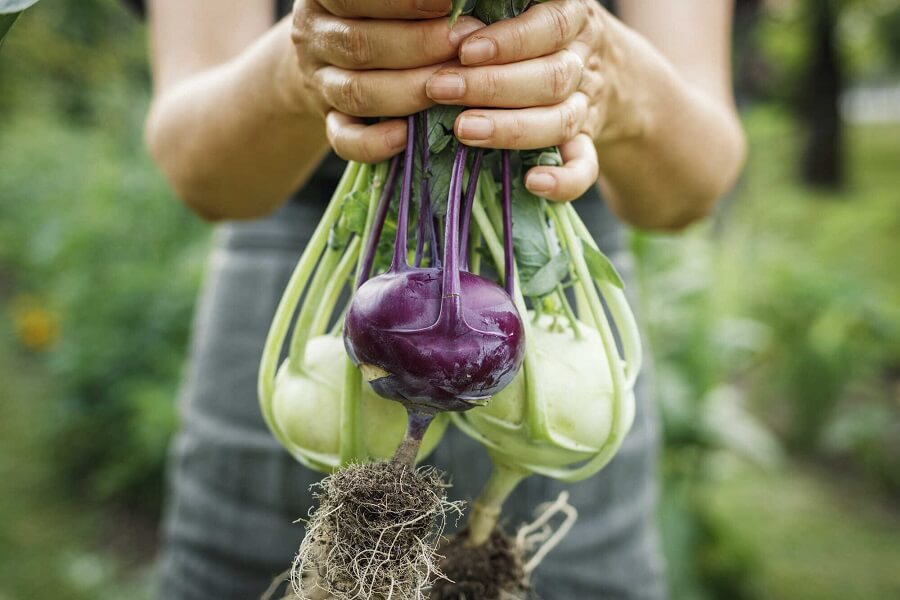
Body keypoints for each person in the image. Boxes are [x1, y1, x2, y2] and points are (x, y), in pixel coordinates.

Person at [134, 1, 745, 598]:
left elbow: (689, 192)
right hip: (306, 263)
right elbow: (201, 174)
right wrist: (306, 69)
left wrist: (607, 77)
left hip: (554, 285)